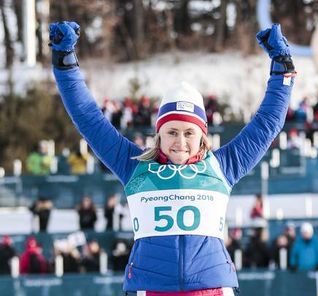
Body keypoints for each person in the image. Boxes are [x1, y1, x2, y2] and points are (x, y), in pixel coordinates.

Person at [49, 21, 296, 295]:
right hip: (151, 288)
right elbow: (89, 119)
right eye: (172, 132)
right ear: (159, 135)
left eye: (189, 132)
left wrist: (282, 66)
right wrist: (64, 61)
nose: (180, 142)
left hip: (211, 288)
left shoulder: (221, 167)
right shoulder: (134, 166)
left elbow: (267, 124)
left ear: (202, 135)